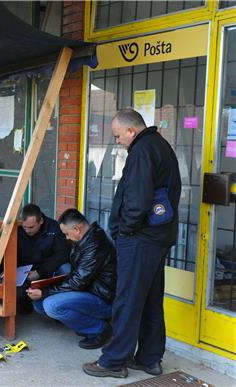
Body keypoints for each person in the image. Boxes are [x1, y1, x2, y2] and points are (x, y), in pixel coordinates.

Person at [83, 108, 181, 379]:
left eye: (117, 136)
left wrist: (124, 231)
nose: (116, 141)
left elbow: (137, 199)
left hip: (140, 239)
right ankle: (150, 359)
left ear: (131, 131)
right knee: (150, 299)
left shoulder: (142, 151)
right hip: (157, 238)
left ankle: (114, 360)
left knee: (126, 299)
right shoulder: (160, 145)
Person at [26, 209, 117, 349]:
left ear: (76, 229)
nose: (66, 238)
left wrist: (45, 292)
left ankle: (100, 329)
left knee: (51, 305)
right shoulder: (88, 236)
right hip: (89, 288)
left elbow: (77, 282)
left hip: (102, 299)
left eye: (66, 234)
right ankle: (77, 319)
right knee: (39, 304)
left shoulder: (95, 245)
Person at [16, 203, 70, 314]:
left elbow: (62, 254)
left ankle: (63, 305)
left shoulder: (54, 228)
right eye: (24, 227)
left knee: (67, 269)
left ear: (41, 221)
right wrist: (1, 270)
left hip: (48, 269)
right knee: (21, 303)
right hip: (24, 272)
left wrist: (41, 272)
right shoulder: (16, 228)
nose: (27, 230)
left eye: (31, 227)